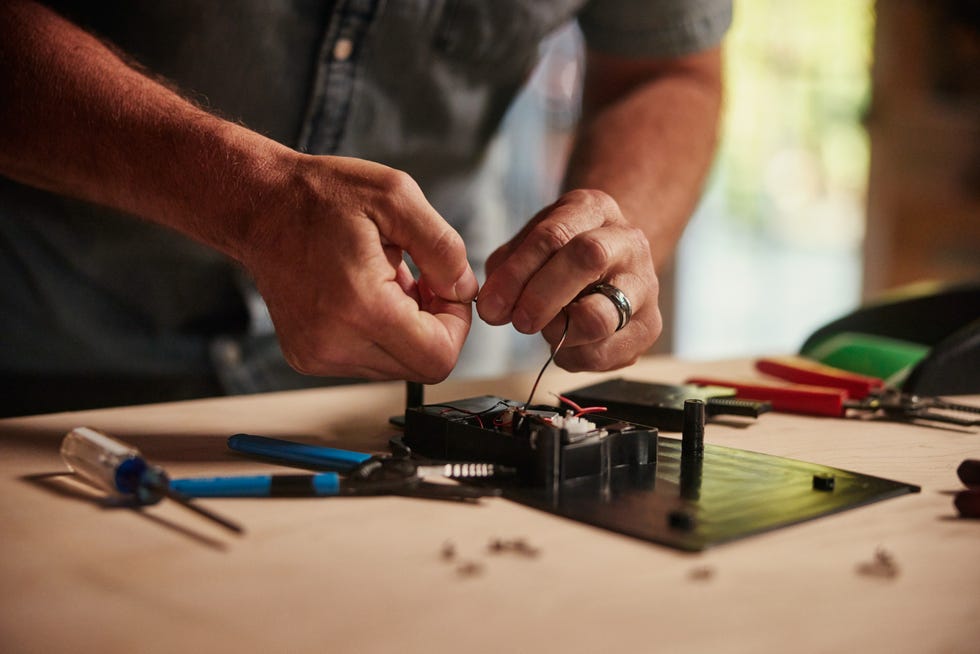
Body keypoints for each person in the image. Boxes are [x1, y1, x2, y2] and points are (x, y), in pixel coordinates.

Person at [0, 1, 730, 415]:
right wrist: (251, 201)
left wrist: (607, 244)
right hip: (49, 350)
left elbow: (667, 69)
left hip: (414, 389)